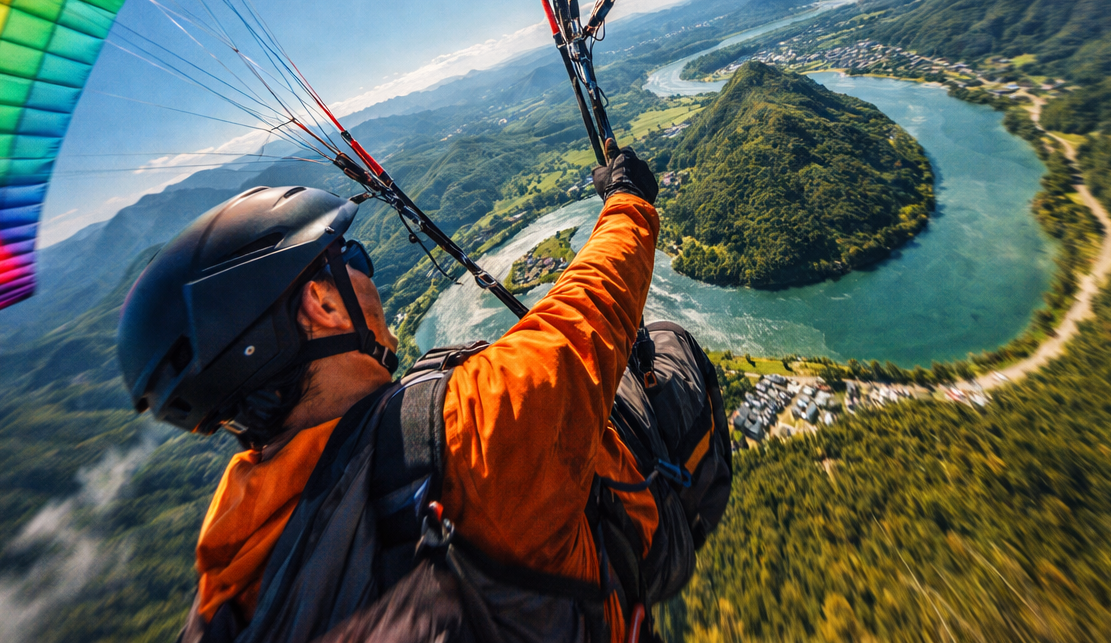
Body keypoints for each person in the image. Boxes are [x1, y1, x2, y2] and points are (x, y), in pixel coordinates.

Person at [118, 144, 727, 643]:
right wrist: (629, 200)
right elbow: (590, 308)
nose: (362, 266)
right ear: (323, 304)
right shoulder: (469, 430)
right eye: (349, 256)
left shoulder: (228, 572)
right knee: (669, 358)